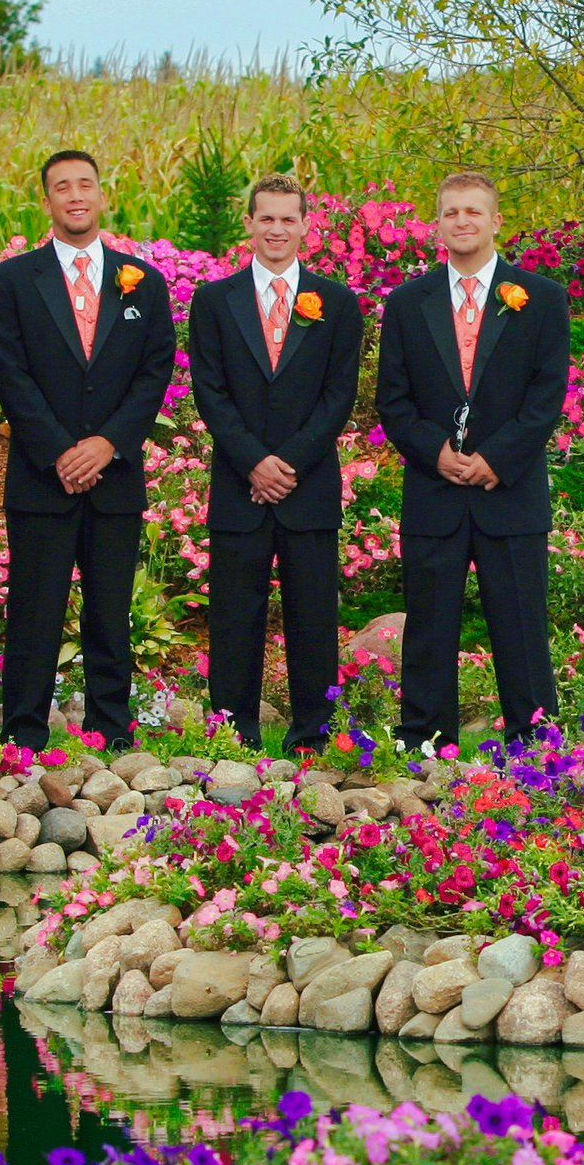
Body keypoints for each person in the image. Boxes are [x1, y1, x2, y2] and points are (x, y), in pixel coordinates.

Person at [0, 150, 177, 750]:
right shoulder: (14, 280)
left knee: (111, 609)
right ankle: (23, 731)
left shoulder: (141, 279)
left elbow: (154, 372)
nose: (75, 195)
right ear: (47, 201)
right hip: (44, 476)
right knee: (36, 609)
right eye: (61, 187)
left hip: (114, 473)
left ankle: (111, 728)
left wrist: (106, 443)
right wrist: (61, 451)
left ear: (101, 196)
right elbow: (11, 373)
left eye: (85, 185)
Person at [375, 173, 572, 752]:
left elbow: (547, 394)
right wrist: (436, 452)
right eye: (451, 212)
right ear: (437, 224)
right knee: (430, 627)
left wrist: (495, 458)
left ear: (495, 221)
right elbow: (394, 397)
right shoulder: (409, 303)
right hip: (434, 492)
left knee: (520, 626)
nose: (463, 221)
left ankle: (533, 743)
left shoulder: (541, 299)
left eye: (473, 212)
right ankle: (425, 742)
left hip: (508, 493)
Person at [188, 173, 364, 751]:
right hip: (240, 486)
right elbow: (210, 391)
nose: (277, 229)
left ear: (307, 227)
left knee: (312, 618)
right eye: (267, 218)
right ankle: (233, 736)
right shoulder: (214, 301)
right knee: (235, 618)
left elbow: (339, 395)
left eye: (289, 219)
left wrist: (286, 463)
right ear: (249, 225)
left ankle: (313, 734)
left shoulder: (335, 303)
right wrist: (254, 462)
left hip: (306, 486)